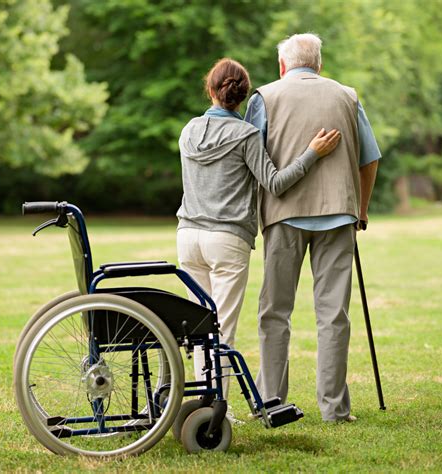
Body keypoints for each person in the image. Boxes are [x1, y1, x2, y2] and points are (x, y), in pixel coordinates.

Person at [176, 57, 341, 403]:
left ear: (210, 90)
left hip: (187, 236)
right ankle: (216, 407)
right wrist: (312, 153)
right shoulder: (245, 134)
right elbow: (275, 183)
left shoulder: (188, 131)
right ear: (244, 96)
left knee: (199, 327)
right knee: (221, 330)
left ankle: (204, 402)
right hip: (226, 239)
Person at [245, 33, 381, 422]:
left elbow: (252, 159)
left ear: (283, 66)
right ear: (318, 65)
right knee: (333, 315)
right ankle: (335, 409)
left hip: (283, 216)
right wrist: (362, 209)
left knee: (274, 312)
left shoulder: (265, 97)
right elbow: (369, 160)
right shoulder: (347, 96)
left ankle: (271, 400)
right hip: (339, 214)